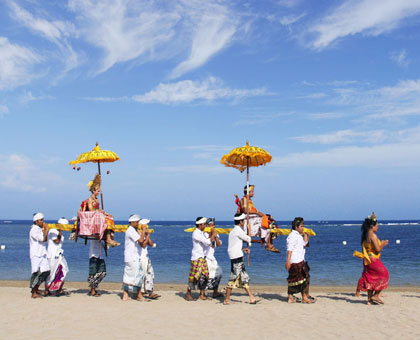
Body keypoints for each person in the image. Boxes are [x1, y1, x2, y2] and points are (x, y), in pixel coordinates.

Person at [224, 213, 259, 305]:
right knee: (234, 277)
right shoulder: (238, 231)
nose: (244, 222)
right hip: (236, 257)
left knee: (243, 277)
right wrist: (249, 229)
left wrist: (243, 249)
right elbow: (248, 238)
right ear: (241, 222)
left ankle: (251, 298)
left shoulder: (233, 231)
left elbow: (234, 245)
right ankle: (226, 299)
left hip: (236, 256)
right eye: (243, 221)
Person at [354, 213, 389, 305]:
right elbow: (377, 250)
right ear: (372, 226)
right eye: (377, 225)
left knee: (370, 278)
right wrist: (383, 244)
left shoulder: (365, 235)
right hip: (373, 259)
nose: (378, 227)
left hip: (367, 259)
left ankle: (369, 300)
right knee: (385, 274)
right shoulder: (373, 236)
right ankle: (376, 295)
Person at [80, 174, 119, 247]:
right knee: (106, 220)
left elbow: (98, 209)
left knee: (110, 217)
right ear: (93, 191)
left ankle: (111, 237)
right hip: (93, 216)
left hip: (98, 214)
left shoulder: (97, 199)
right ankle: (108, 239)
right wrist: (99, 212)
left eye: (99, 191)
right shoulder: (90, 199)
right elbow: (91, 209)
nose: (98, 192)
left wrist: (105, 213)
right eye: (97, 191)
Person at [239, 185, 279, 252]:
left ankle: (269, 243)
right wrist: (257, 212)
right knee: (268, 222)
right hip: (249, 219)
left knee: (269, 220)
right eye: (252, 191)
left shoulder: (249, 200)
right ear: (249, 192)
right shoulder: (244, 199)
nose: (253, 193)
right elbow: (245, 211)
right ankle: (268, 244)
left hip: (253, 217)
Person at [285, 217, 315, 304]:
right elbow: (289, 249)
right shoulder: (292, 236)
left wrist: (306, 237)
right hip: (295, 261)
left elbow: (303, 245)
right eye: (301, 226)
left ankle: (293, 297)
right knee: (302, 279)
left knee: (297, 279)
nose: (303, 228)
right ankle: (304, 297)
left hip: (300, 259)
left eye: (303, 226)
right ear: (296, 227)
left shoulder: (298, 235)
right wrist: (288, 261)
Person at [186, 217, 216, 301]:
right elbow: (206, 242)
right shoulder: (196, 233)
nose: (204, 226)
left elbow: (208, 244)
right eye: (203, 224)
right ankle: (188, 294)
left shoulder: (202, 233)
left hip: (202, 258)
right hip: (196, 258)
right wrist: (213, 234)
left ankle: (201, 294)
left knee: (205, 276)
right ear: (200, 225)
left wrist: (211, 235)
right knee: (193, 277)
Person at [122, 214, 148, 301]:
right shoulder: (130, 230)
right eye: (136, 222)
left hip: (131, 256)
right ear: (132, 222)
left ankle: (125, 295)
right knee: (138, 275)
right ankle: (139, 295)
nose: (138, 224)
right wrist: (144, 230)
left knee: (129, 276)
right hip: (132, 257)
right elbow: (140, 240)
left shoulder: (133, 230)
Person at [46, 217, 70, 296]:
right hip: (52, 255)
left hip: (59, 255)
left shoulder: (59, 232)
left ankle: (58, 288)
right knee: (52, 273)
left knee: (64, 270)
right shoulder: (52, 231)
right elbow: (57, 241)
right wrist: (60, 232)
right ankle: (48, 290)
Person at [29, 213, 50, 298]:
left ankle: (36, 288)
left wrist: (44, 230)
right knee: (35, 272)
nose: (42, 221)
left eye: (42, 220)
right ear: (36, 221)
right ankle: (34, 292)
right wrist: (46, 230)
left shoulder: (39, 229)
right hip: (36, 254)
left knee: (46, 271)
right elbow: (43, 239)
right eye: (41, 220)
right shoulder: (34, 230)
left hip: (42, 253)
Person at [139, 218, 160, 300]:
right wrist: (146, 235)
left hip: (146, 257)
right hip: (141, 257)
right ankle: (142, 291)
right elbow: (143, 245)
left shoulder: (144, 234)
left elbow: (150, 244)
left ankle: (149, 291)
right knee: (143, 274)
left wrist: (148, 235)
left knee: (150, 274)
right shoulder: (139, 234)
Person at [204, 218, 223, 298]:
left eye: (213, 225)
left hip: (212, 257)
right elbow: (208, 242)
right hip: (206, 257)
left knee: (219, 273)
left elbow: (218, 245)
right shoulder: (204, 234)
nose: (212, 227)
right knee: (208, 276)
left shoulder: (216, 234)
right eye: (210, 225)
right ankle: (204, 292)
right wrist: (212, 234)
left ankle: (215, 291)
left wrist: (216, 237)